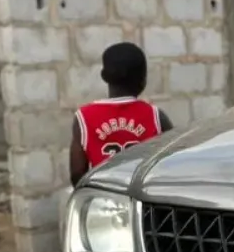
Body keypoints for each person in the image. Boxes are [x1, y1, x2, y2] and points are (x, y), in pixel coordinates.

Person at [70, 41, 172, 186]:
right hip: (144, 198)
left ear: (104, 76)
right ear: (143, 80)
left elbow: (77, 173)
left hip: (105, 198)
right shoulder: (155, 116)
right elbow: (172, 161)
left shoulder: (84, 117)